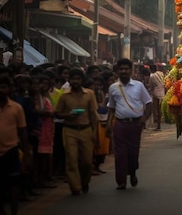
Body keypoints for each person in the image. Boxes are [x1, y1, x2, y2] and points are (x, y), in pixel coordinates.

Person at [106, 58, 152, 190]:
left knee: (133, 152)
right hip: (120, 124)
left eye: (126, 69)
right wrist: (109, 124)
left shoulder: (139, 86)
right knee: (119, 153)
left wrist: (143, 119)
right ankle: (121, 180)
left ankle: (132, 172)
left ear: (131, 71)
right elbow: (112, 108)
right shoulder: (113, 88)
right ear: (117, 71)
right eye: (121, 69)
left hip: (135, 125)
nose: (124, 71)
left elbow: (148, 103)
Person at [54, 68, 98, 195]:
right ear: (69, 80)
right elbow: (57, 113)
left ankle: (85, 182)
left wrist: (94, 132)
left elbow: (92, 114)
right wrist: (68, 115)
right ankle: (75, 187)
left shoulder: (89, 94)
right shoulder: (64, 95)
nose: (75, 81)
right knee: (71, 159)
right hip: (69, 130)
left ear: (82, 80)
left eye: (78, 79)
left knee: (87, 161)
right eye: (73, 79)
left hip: (86, 129)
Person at [0, 74, 32, 215]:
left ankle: (14, 211)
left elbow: (23, 132)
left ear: (10, 89)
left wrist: (26, 153)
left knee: (14, 183)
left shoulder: (16, 108)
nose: (1, 90)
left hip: (12, 149)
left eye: (4, 87)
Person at [148, 65, 165, 131]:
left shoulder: (152, 76)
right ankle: (159, 124)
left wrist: (150, 90)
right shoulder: (160, 73)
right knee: (159, 109)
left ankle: (158, 125)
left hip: (155, 94)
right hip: (162, 92)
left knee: (156, 110)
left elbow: (151, 85)